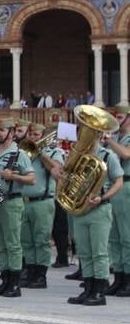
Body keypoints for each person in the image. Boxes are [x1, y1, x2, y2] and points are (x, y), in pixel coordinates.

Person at [67, 123, 123, 306]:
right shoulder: (77, 156)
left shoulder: (108, 156)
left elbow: (118, 181)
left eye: (87, 133)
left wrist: (103, 197)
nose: (83, 137)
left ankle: (99, 291)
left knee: (99, 251)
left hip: (99, 208)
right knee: (84, 251)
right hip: (80, 208)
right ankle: (88, 288)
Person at [0, 117, 34, 297]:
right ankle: (5, 279)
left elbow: (31, 178)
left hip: (10, 202)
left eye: (2, 130)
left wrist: (14, 177)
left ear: (11, 133)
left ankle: (15, 282)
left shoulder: (19, 154)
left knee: (12, 243)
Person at [18, 119, 63, 289]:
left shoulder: (53, 151)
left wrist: (40, 153)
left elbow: (58, 171)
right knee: (26, 240)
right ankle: (30, 271)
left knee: (41, 240)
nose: (32, 138)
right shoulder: (23, 152)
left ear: (43, 137)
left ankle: (41, 275)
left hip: (42, 201)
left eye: (35, 135)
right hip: (24, 201)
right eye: (30, 134)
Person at [105, 103, 130, 297]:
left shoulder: (122, 140)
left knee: (127, 236)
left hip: (127, 186)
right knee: (114, 237)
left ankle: (128, 278)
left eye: (120, 118)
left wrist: (109, 141)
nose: (117, 121)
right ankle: (119, 276)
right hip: (113, 185)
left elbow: (126, 154)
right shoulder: (115, 138)